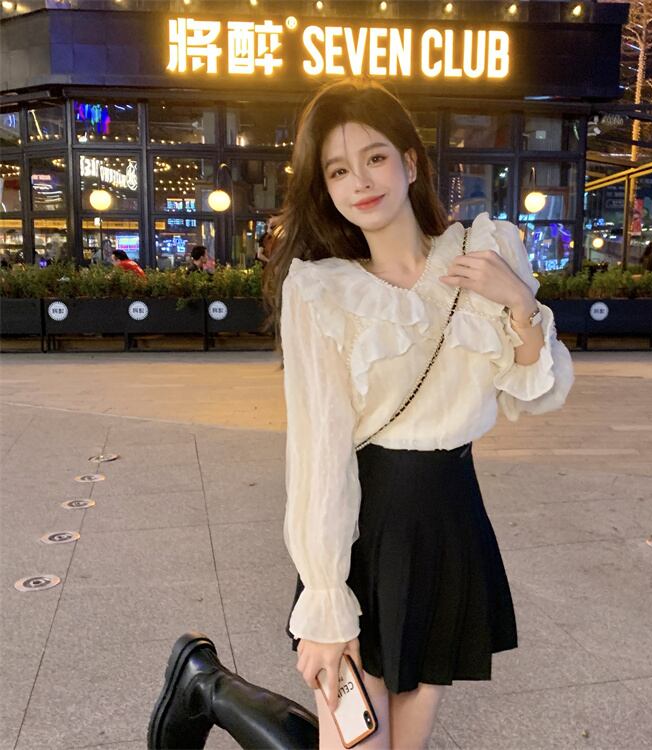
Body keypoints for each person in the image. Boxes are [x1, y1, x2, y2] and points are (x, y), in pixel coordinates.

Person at [148, 79, 574, 750]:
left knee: (400, 741)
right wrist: (325, 595)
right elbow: (318, 447)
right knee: (354, 738)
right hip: (361, 529)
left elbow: (535, 390)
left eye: (374, 158)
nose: (360, 181)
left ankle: (206, 685)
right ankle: (209, 689)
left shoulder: (484, 253)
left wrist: (520, 301)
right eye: (338, 170)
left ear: (411, 162)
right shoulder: (322, 289)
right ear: (325, 188)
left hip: (449, 522)